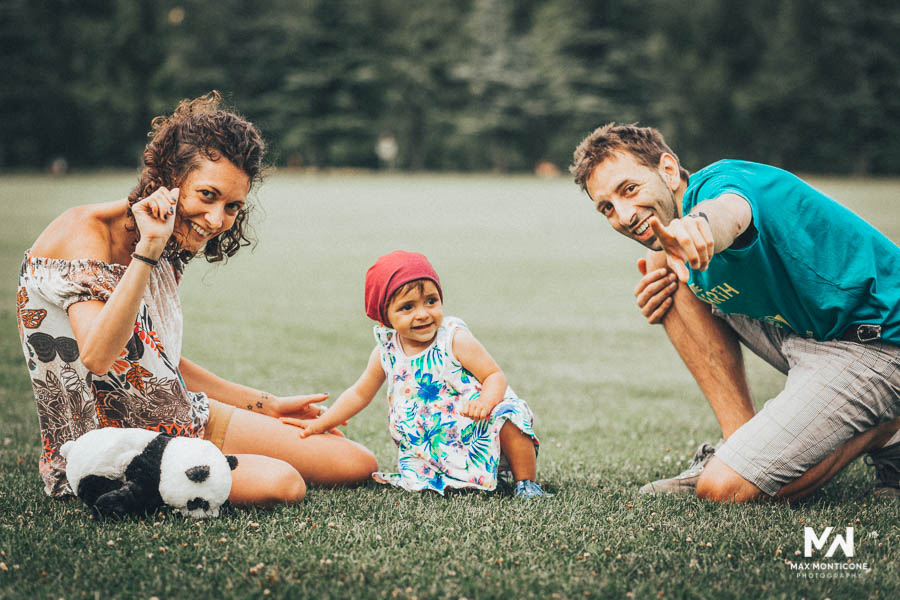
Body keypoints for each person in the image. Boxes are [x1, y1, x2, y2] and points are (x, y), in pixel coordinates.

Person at [16, 92, 377, 505]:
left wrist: (266, 404)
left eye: (232, 206)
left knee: (353, 461)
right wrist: (146, 253)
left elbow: (150, 359)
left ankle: (200, 462)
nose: (217, 220)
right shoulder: (86, 233)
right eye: (208, 195)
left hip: (179, 413)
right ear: (170, 177)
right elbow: (98, 355)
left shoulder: (171, 243)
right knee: (283, 483)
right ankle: (147, 485)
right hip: (111, 449)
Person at [569, 123, 900, 502]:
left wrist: (700, 228)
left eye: (629, 189)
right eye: (607, 208)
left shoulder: (723, 187)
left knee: (722, 489)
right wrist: (659, 279)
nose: (624, 215)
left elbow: (729, 213)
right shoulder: (668, 235)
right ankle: (736, 438)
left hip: (879, 344)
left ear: (668, 169)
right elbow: (666, 257)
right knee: (666, 274)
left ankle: (886, 425)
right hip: (813, 331)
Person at [280, 250, 550, 498]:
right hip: (432, 436)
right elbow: (359, 393)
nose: (423, 314)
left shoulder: (454, 339)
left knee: (511, 417)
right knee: (429, 472)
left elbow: (494, 376)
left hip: (476, 420)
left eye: (431, 301)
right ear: (384, 316)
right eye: (407, 307)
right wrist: (323, 422)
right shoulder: (386, 350)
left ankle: (525, 482)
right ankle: (451, 475)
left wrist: (486, 403)